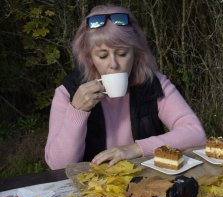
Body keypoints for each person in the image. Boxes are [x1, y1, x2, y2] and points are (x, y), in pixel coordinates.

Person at [45, 5, 206, 170]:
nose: (113, 64)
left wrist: (135, 149)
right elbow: (58, 165)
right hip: (91, 188)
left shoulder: (153, 83)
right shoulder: (68, 91)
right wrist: (77, 111)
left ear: (136, 54)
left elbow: (196, 134)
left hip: (146, 183)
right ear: (89, 58)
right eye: (102, 55)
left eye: (122, 54)